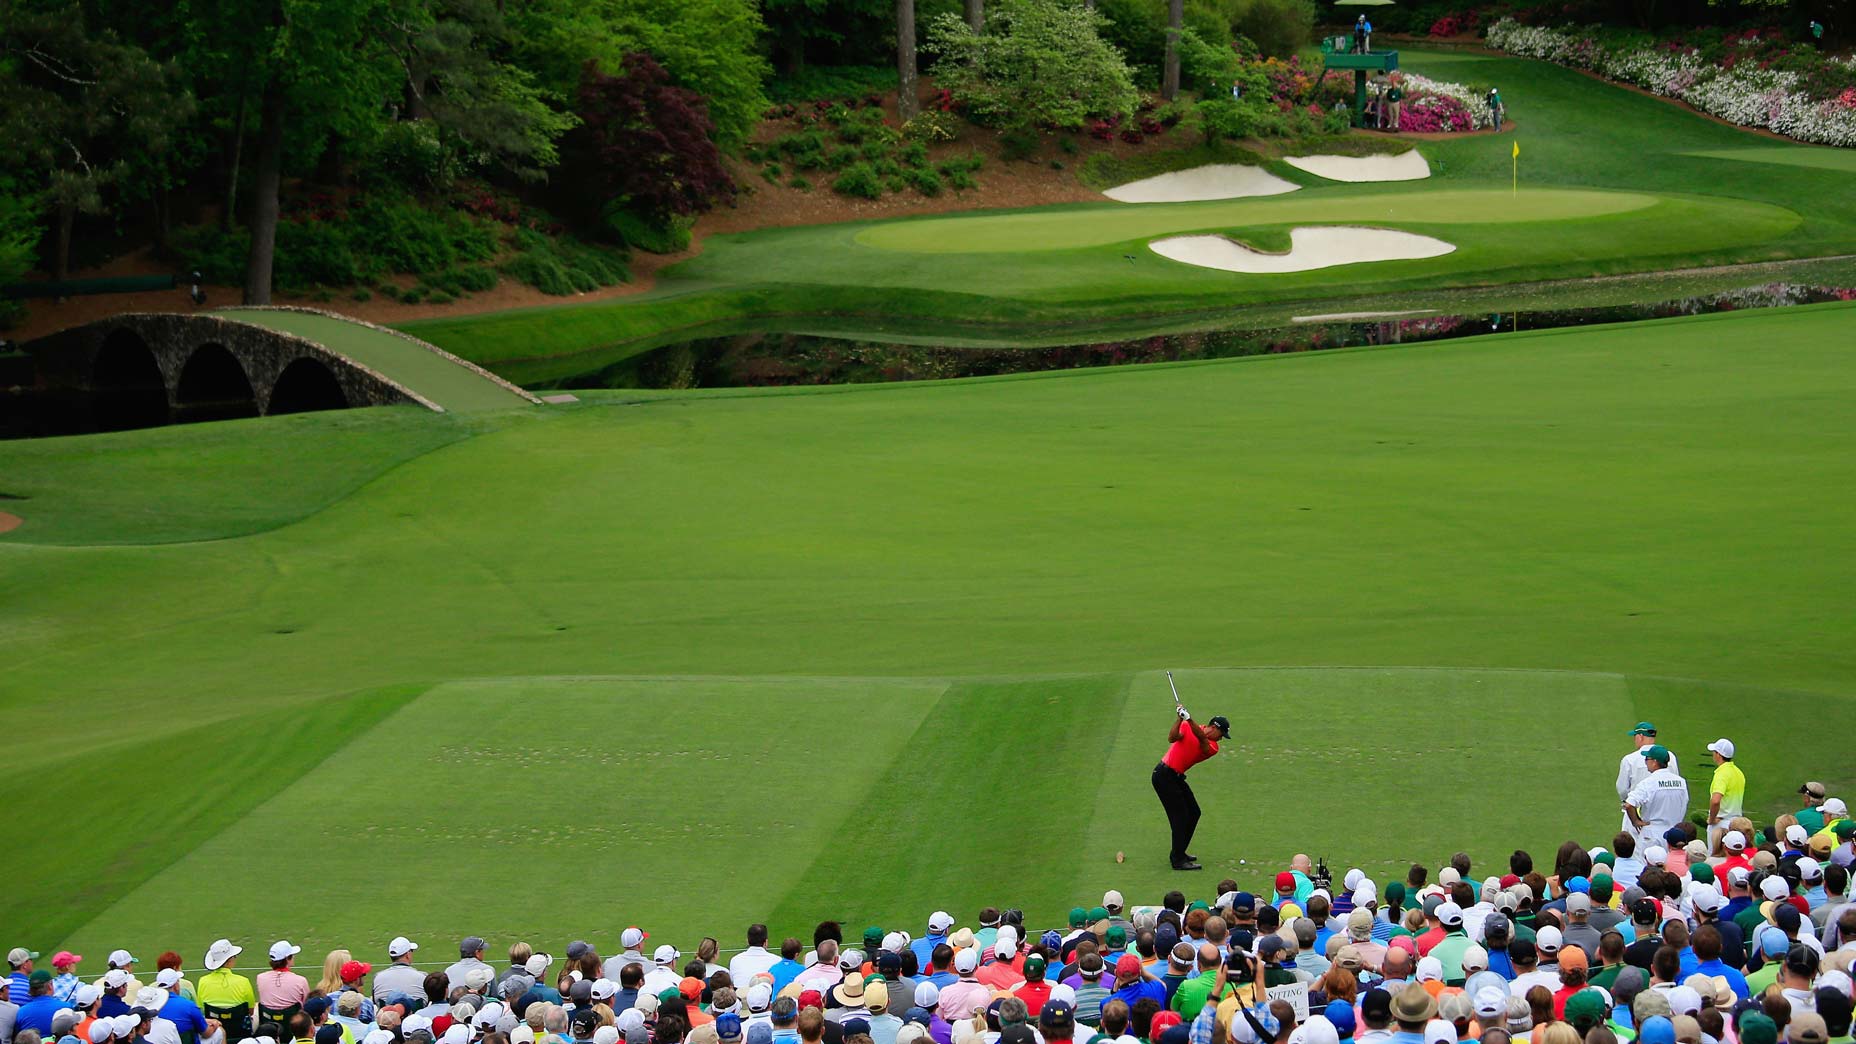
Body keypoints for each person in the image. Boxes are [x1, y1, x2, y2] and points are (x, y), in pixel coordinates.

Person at [1151, 705, 1229, 872]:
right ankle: (1177, 859)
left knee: (1194, 812)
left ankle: (1179, 852)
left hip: (1175, 777)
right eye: (1221, 734)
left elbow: (1202, 740)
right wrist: (1180, 719)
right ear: (1214, 728)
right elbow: (1172, 738)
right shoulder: (1187, 725)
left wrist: (1188, 719)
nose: (1221, 738)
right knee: (1180, 818)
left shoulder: (1213, 746)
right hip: (1164, 776)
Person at [1624, 746, 1688, 853]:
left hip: (1652, 834)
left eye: (1647, 759)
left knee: (1648, 868)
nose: (1645, 762)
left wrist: (1636, 821)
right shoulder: (1681, 782)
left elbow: (1629, 804)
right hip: (1675, 833)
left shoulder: (1648, 783)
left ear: (1654, 762)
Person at [198, 941, 256, 1040]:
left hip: (215, 1031)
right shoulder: (243, 981)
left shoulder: (203, 981)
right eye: (234, 956)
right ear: (229, 960)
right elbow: (250, 1011)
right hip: (239, 1031)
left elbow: (202, 1009)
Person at [1704, 740, 1745, 850]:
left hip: (1721, 824)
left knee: (1715, 858)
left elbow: (1715, 800)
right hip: (1737, 823)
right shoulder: (1738, 773)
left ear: (1718, 754)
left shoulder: (1721, 774)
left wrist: (1712, 820)